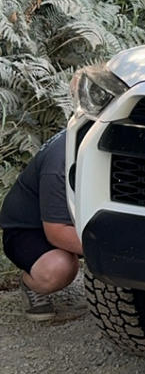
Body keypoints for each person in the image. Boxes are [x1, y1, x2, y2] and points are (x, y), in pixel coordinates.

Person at [0, 130, 82, 320]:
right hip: (27, 229)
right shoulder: (61, 162)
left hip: (69, 220)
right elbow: (57, 233)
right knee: (58, 269)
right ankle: (30, 284)